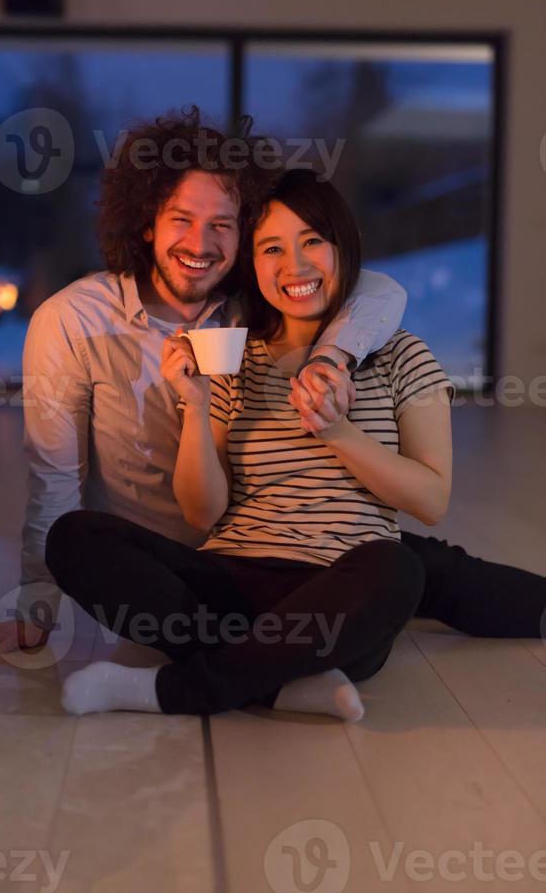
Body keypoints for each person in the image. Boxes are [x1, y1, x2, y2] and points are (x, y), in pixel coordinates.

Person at [44, 169, 546, 720]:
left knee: (401, 568)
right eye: (271, 248)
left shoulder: (402, 356)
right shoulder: (234, 360)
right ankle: (280, 677)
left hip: (337, 585)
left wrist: (338, 431)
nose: (295, 266)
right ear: (251, 263)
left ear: (343, 248)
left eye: (313, 242)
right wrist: (195, 401)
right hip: (230, 580)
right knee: (74, 536)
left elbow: (430, 500)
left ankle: (181, 689)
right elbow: (202, 510)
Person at [0, 108, 407, 654]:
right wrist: (36, 608)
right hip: (150, 566)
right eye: (181, 219)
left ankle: (251, 659)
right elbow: (56, 479)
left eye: (222, 225)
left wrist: (330, 357)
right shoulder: (72, 320)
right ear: (146, 222)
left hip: (257, 551)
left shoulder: (252, 308)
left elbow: (379, 288)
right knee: (75, 541)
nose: (201, 243)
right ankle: (274, 663)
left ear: (244, 234)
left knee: (411, 563)